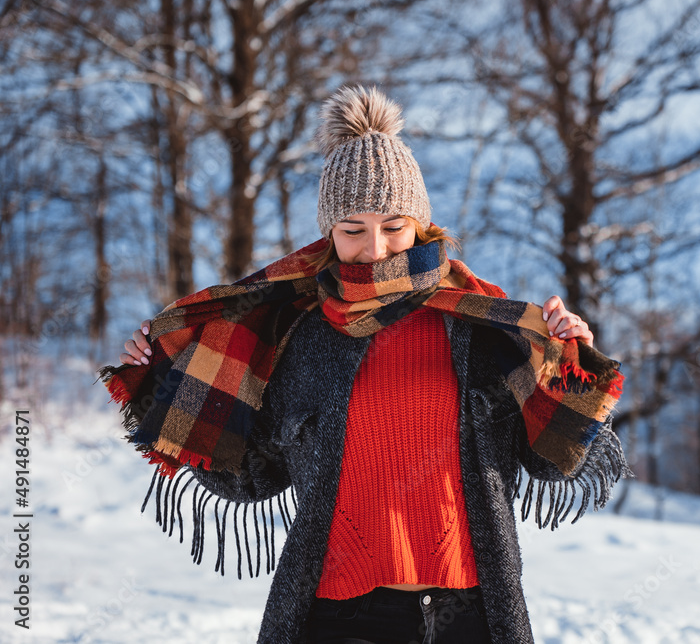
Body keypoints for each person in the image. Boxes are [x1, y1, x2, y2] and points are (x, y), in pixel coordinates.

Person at [102, 84, 630, 644]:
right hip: (339, 614)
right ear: (329, 232)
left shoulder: (483, 326)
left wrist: (574, 362)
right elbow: (254, 474)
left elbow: (550, 461)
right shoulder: (296, 333)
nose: (374, 249)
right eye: (353, 229)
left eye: (393, 226)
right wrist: (164, 376)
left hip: (470, 612)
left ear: (422, 226)